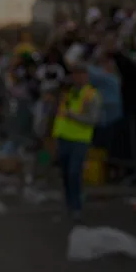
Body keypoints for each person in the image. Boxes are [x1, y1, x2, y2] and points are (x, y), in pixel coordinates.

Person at [52, 62, 101, 221]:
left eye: (81, 74)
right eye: (75, 74)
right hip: (64, 138)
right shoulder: (68, 93)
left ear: (86, 76)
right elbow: (59, 115)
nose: (78, 78)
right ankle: (69, 205)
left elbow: (92, 119)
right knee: (65, 174)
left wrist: (73, 116)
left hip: (80, 139)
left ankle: (77, 207)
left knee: (74, 173)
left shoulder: (91, 95)